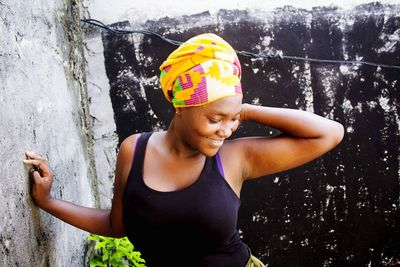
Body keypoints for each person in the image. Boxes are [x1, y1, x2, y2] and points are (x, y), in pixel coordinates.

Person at [23, 33, 344, 267]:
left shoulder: (234, 159)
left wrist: (241, 108)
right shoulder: (133, 151)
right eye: (215, 118)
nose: (227, 130)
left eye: (233, 120)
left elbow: (328, 134)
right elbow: (116, 226)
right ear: (181, 106)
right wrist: (48, 201)